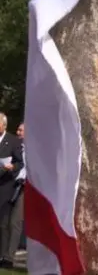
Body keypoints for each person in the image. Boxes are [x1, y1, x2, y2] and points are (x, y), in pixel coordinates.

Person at [0, 113, 24, 268]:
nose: (19, 132)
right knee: (2, 224)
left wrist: (12, 167)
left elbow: (19, 162)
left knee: (11, 223)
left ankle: (7, 257)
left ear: (3, 125)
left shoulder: (13, 141)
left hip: (10, 186)